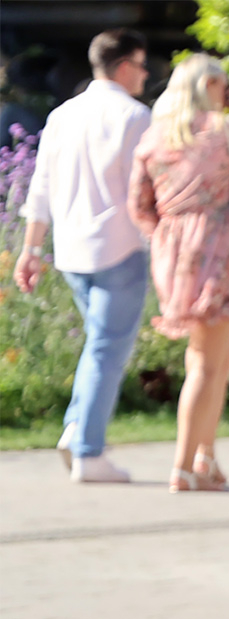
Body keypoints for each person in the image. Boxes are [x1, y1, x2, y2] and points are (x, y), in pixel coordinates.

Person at [11, 29, 152, 484]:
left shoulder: (62, 115)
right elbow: (147, 189)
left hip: (71, 249)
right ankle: (88, 450)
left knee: (99, 345)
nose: (146, 74)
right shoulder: (136, 117)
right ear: (125, 66)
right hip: (120, 246)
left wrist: (31, 249)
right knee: (108, 349)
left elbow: (41, 189)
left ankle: (77, 429)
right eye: (143, 65)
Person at [129, 53, 229, 493]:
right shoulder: (225, 129)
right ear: (210, 86)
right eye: (223, 86)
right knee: (210, 364)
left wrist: (169, 237)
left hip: (171, 248)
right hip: (215, 244)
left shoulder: (153, 139)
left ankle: (205, 458)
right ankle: (185, 465)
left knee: (213, 359)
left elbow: (139, 207)